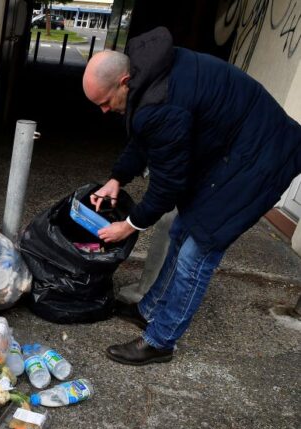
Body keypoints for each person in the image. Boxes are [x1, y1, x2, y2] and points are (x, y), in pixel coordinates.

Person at [82, 27, 301, 365]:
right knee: (181, 229)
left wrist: (130, 224)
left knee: (196, 254)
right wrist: (117, 178)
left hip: (259, 159)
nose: (104, 111)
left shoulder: (160, 102)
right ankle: (149, 309)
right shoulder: (149, 75)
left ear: (124, 81)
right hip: (236, 149)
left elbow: (168, 184)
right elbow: (145, 135)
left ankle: (160, 341)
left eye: (105, 102)